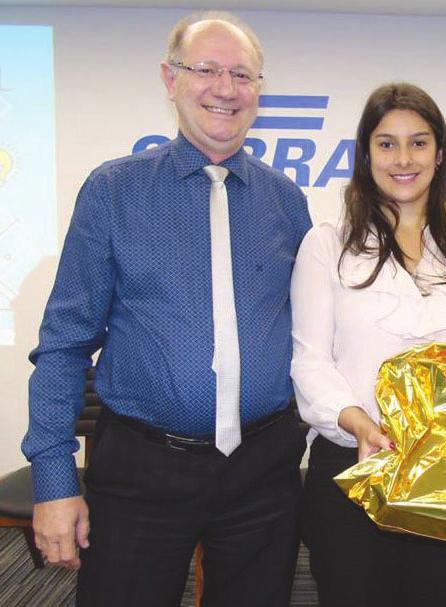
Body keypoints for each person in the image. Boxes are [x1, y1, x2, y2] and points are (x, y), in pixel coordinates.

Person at [21, 11, 311, 607]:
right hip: (141, 475)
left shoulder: (285, 201)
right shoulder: (114, 191)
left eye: (241, 74)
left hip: (263, 474)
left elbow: (309, 334)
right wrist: (54, 479)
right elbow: (64, 343)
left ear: (259, 89)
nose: (225, 88)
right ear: (169, 78)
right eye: (205, 69)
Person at [290, 83, 446, 607]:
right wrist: (358, 422)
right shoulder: (328, 244)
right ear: (366, 153)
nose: (403, 159)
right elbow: (310, 359)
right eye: (387, 143)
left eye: (419, 143)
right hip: (355, 466)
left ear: (439, 154)